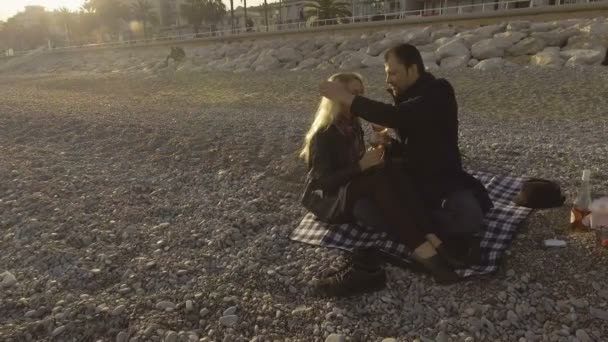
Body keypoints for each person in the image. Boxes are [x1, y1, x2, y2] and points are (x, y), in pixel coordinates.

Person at [319, 43, 493, 268]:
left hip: (444, 181)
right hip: (413, 181)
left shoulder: (439, 91)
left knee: (470, 220)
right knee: (367, 213)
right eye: (387, 74)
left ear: (412, 69)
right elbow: (414, 144)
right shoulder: (403, 96)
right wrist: (390, 145)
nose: (388, 80)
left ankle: (416, 225)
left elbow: (398, 116)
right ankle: (424, 228)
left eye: (393, 73)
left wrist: (346, 97)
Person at [300, 72, 461, 298]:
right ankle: (427, 254)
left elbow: (357, 162)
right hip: (330, 200)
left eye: (360, 93)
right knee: (379, 179)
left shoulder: (352, 124)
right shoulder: (323, 134)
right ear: (338, 99)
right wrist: (361, 166)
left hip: (350, 186)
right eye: (352, 94)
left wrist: (376, 153)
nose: (358, 98)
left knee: (392, 168)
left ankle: (432, 237)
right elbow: (321, 182)